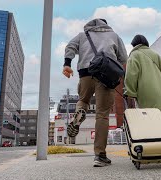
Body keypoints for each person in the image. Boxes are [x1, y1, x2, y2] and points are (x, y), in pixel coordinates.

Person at [63, 18, 127, 167]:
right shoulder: (114, 35)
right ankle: (99, 155)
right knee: (102, 115)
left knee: (83, 100)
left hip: (86, 73)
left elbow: (70, 47)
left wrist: (67, 64)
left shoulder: (82, 35)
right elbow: (123, 58)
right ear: (106, 24)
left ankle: (80, 113)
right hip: (105, 75)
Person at [124, 34, 161, 132]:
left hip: (146, 93)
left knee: (150, 120)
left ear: (134, 45)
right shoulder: (156, 55)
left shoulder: (134, 55)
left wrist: (130, 92)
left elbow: (131, 76)